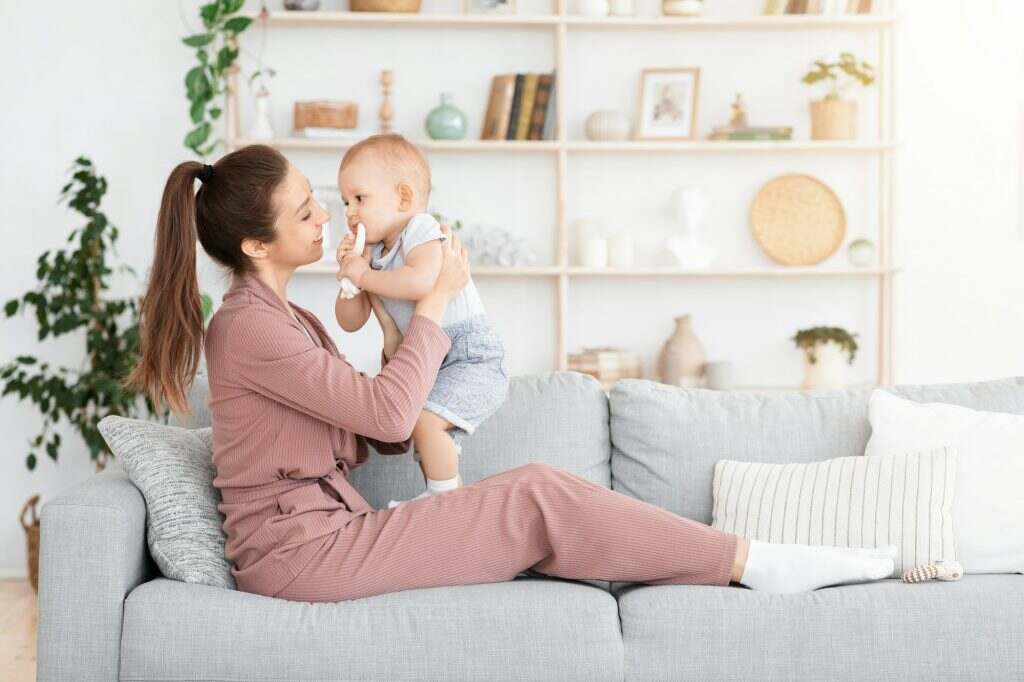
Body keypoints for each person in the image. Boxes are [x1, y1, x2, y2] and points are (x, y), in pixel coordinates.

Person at [124, 143, 897, 603]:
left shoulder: (291, 318)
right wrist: (434, 303)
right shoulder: (248, 328)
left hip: (327, 536)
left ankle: (739, 560)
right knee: (536, 493)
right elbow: (387, 419)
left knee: (545, 499)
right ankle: (755, 562)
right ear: (256, 246)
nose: (328, 215)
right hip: (302, 560)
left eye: (317, 201)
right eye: (304, 213)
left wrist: (403, 350)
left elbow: (373, 432)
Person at [332, 134, 509, 508]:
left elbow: (421, 282)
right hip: (430, 360)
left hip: (469, 354)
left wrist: (364, 275)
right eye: (345, 202)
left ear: (403, 198)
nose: (350, 212)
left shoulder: (421, 229)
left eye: (360, 198)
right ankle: (454, 508)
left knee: (427, 423)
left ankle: (440, 503)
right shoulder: (374, 255)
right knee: (426, 439)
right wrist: (350, 277)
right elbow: (350, 321)